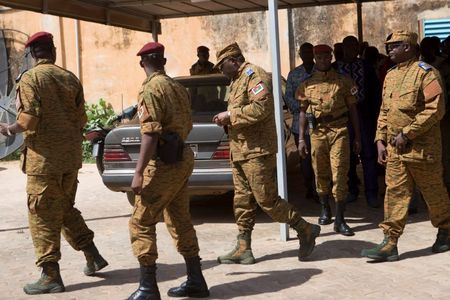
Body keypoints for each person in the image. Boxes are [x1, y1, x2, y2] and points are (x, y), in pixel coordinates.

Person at [0, 31, 108, 295]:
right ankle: (92, 254)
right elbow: (82, 119)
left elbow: (28, 121)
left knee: (42, 216)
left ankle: (50, 275)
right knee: (63, 208)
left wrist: (9, 129)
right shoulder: (70, 78)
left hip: (44, 162)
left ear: (32, 54)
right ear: (53, 51)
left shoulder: (30, 78)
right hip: (70, 159)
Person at [212, 42, 320, 264]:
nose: (220, 70)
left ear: (233, 60)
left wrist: (230, 116)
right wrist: (228, 120)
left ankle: (305, 229)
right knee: (242, 200)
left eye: (222, 65)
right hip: (241, 150)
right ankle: (244, 248)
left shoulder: (254, 75)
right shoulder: (235, 81)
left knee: (266, 200)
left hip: (258, 151)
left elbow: (261, 108)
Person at [128, 42, 209, 300]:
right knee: (179, 218)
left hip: (163, 162)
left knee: (141, 222)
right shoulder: (177, 87)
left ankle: (148, 288)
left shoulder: (151, 89)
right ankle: (196, 279)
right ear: (162, 61)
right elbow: (188, 123)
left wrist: (139, 171)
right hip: (182, 158)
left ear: (143, 63)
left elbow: (150, 133)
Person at [361, 30, 450, 262]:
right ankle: (390, 242)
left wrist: (408, 134)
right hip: (395, 150)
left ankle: (446, 230)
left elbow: (435, 109)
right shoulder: (390, 75)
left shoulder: (427, 74)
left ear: (409, 47)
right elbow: (384, 110)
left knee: (433, 194)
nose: (389, 49)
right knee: (395, 194)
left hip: (422, 150)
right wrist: (379, 140)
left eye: (395, 45)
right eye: (388, 45)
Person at [296, 44, 361, 236]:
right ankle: (325, 208)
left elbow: (353, 111)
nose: (323, 60)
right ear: (315, 59)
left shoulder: (344, 82)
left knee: (340, 173)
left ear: (331, 57)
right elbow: (301, 112)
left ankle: (340, 219)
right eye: (320, 57)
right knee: (320, 172)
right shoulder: (306, 84)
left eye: (327, 57)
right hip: (317, 132)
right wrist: (301, 139)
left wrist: (358, 136)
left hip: (339, 130)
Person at [338, 35, 381, 208]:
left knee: (368, 154)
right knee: (345, 155)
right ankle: (352, 189)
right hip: (342, 118)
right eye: (348, 46)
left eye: (355, 46)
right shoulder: (336, 68)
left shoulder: (366, 67)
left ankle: (371, 193)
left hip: (364, 117)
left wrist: (375, 115)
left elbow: (376, 93)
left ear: (358, 49)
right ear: (343, 48)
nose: (352, 49)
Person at [285, 42, 317, 200]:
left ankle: (321, 188)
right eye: (303, 52)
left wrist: (316, 108)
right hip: (300, 124)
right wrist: (302, 108)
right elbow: (288, 97)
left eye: (309, 52)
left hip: (321, 123)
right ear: (300, 55)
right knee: (304, 158)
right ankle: (309, 186)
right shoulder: (294, 74)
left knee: (320, 157)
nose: (307, 55)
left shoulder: (322, 70)